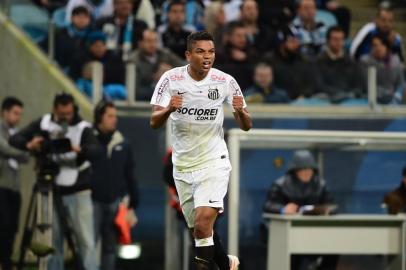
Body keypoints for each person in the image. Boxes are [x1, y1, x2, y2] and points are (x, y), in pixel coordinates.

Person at [150, 31, 252, 270]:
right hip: (183, 165)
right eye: (201, 51)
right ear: (188, 55)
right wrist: (168, 110)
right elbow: (154, 122)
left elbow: (247, 127)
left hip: (213, 161)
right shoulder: (171, 79)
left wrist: (241, 113)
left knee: (204, 222)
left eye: (211, 52)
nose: (207, 57)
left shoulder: (225, 81)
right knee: (200, 230)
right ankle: (227, 263)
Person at [9, 93, 100, 270]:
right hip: (49, 188)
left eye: (69, 113)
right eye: (61, 114)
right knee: (52, 241)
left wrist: (79, 149)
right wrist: (30, 145)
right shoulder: (43, 123)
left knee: (86, 242)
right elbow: (15, 139)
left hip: (78, 190)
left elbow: (96, 151)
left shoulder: (83, 128)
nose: (65, 118)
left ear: (74, 109)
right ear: (54, 110)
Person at [263, 150, 337, 270]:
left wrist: (327, 211)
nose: (307, 173)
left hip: (315, 233)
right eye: (303, 169)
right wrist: (283, 209)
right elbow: (268, 205)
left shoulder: (320, 185)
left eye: (310, 169)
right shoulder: (280, 185)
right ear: (295, 171)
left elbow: (332, 205)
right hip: (287, 233)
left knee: (333, 249)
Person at [91, 100, 138, 270]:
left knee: (110, 248)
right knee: (88, 246)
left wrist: (133, 204)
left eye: (115, 116)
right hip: (91, 202)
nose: (114, 120)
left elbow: (130, 174)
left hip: (114, 202)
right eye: (109, 116)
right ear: (99, 118)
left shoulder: (123, 143)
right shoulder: (88, 140)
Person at [0, 97, 29, 270]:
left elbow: (26, 156)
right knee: (2, 226)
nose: (18, 117)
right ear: (5, 112)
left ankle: (7, 261)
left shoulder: (17, 134)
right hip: (1, 185)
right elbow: (4, 147)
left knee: (12, 228)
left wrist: (22, 150)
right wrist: (22, 149)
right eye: (15, 113)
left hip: (14, 187)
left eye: (20, 114)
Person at [129, 29, 185, 101]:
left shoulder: (165, 54)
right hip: (146, 104)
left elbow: (186, 67)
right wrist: (158, 82)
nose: (153, 44)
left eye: (155, 41)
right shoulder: (133, 61)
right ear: (140, 43)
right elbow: (135, 92)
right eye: (149, 41)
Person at [317, 26, 364, 104]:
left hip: (349, 100)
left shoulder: (351, 61)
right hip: (328, 100)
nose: (338, 42)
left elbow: (358, 83)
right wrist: (338, 94)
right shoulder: (319, 61)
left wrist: (348, 94)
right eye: (335, 39)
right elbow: (319, 85)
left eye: (341, 39)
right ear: (328, 41)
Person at [42, 6, 92, 74]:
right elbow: (45, 46)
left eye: (85, 17)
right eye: (79, 17)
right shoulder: (60, 33)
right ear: (72, 18)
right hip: (57, 69)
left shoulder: (92, 36)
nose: (82, 20)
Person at [360, 34, 405, 104]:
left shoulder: (396, 61)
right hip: (368, 100)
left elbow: (400, 83)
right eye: (375, 45)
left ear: (386, 47)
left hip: (392, 100)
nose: (378, 48)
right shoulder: (364, 61)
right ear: (370, 48)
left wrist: (396, 96)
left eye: (382, 45)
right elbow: (363, 85)